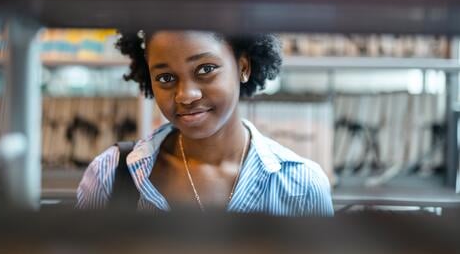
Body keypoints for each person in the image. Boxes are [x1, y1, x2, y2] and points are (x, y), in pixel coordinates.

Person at [76, 30, 334, 216]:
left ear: (243, 66)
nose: (186, 95)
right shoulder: (110, 175)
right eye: (165, 77)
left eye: (205, 69)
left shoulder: (302, 185)